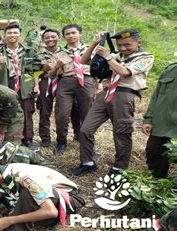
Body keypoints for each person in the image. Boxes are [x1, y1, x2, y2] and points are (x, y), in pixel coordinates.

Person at [72, 29, 154, 177]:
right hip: (106, 92)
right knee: (85, 129)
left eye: (127, 45)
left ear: (138, 43)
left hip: (124, 95)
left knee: (121, 133)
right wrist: (94, 44)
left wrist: (108, 57)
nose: (123, 48)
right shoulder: (117, 55)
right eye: (120, 45)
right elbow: (83, 62)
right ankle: (87, 162)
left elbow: (124, 72)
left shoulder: (145, 57)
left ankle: (119, 168)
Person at [0, 22, 40, 151]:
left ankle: (27, 139)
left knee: (27, 112)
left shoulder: (29, 51)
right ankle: (7, 138)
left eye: (15, 33)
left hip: (25, 85)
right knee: (7, 111)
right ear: (4, 36)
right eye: (9, 33)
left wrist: (36, 85)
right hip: (7, 84)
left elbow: (35, 70)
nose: (12, 35)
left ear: (20, 35)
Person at [48, 24, 96, 155]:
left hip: (86, 80)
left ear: (80, 34)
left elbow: (99, 68)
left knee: (88, 113)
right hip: (66, 81)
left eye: (73, 33)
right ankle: (61, 142)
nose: (71, 36)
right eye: (67, 34)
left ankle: (89, 144)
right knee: (62, 114)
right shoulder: (59, 53)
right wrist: (57, 66)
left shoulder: (92, 49)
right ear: (63, 37)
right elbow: (51, 75)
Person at [142, 62, 177, 179]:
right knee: (154, 154)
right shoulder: (171, 69)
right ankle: (158, 185)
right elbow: (156, 95)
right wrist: (149, 118)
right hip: (162, 124)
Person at [34, 29, 62, 147]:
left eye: (53, 37)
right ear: (43, 40)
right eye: (47, 37)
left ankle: (65, 137)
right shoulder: (39, 55)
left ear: (59, 37)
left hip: (62, 81)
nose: (50, 39)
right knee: (44, 111)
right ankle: (45, 137)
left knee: (63, 111)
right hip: (45, 81)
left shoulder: (66, 52)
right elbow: (35, 72)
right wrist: (36, 85)